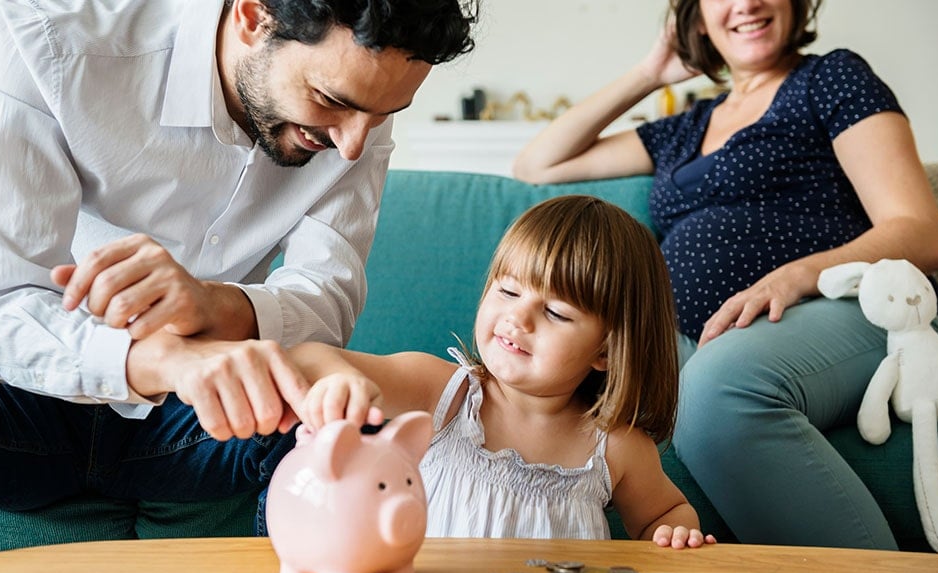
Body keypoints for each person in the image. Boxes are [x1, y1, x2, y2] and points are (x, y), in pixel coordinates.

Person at [0, 0, 477, 515]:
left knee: (335, 422)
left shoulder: (358, 109)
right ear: (253, 18)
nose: (351, 146)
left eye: (382, 116)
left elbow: (327, 302)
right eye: (328, 99)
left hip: (201, 424)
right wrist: (168, 359)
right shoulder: (50, 39)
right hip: (25, 401)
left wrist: (215, 306)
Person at [512, 0, 938, 550]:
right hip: (714, 334)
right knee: (590, 375)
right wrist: (650, 73)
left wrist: (791, 278)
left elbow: (920, 233)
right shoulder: (686, 127)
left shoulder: (830, 78)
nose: (746, 3)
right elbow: (537, 164)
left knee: (716, 391)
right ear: (696, 17)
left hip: (852, 309)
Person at [288, 195, 716, 548]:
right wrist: (341, 381)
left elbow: (664, 514)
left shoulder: (615, 445)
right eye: (508, 290)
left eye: (555, 312)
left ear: (605, 352)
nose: (518, 317)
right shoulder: (441, 393)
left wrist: (676, 534)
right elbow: (309, 358)